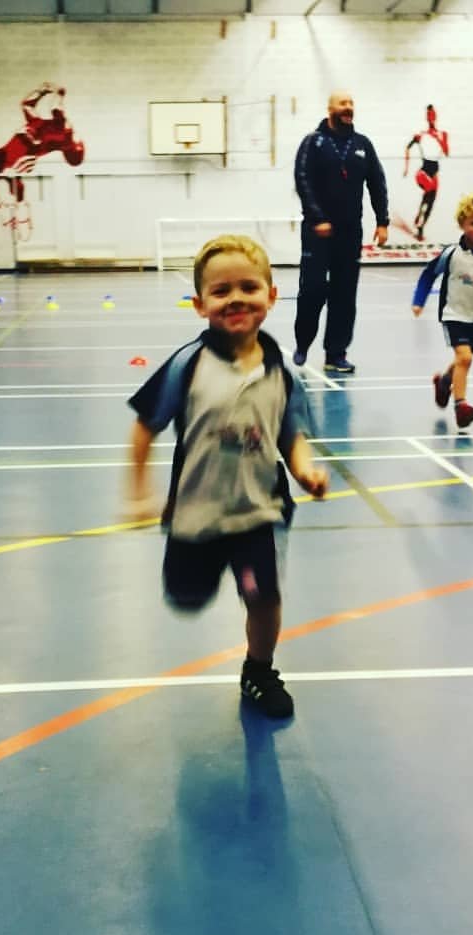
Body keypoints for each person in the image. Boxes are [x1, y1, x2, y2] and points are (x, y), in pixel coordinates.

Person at [126, 234, 328, 719]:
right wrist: (139, 493)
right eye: (221, 292)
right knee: (187, 597)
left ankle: (259, 670)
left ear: (271, 296)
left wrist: (303, 470)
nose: (236, 298)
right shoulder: (186, 366)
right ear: (200, 305)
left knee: (264, 598)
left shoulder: (283, 371)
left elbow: (290, 432)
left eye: (248, 287)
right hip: (197, 513)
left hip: (258, 511)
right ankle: (197, 574)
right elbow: (144, 425)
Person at [292, 89, 389, 375]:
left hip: (350, 233)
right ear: (330, 109)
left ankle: (336, 353)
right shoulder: (313, 142)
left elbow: (377, 182)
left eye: (351, 103)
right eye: (342, 104)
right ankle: (303, 343)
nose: (348, 108)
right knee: (312, 290)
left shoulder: (363, 144)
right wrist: (317, 217)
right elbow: (302, 179)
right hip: (317, 232)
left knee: (344, 295)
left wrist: (382, 220)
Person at [411, 193, 473, 430]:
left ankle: (445, 382)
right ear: (462, 225)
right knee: (465, 358)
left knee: (462, 361)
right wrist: (419, 300)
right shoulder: (451, 254)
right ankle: (461, 407)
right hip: (453, 314)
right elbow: (428, 275)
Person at [0, 82, 85, 211]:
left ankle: (13, 207)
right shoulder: (49, 124)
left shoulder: (61, 136)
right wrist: (50, 92)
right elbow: (34, 105)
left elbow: (50, 108)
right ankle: (6, 208)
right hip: (6, 155)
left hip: (13, 161)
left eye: (77, 143)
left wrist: (51, 93)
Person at [403, 104, 450, 242]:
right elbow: (407, 148)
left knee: (431, 201)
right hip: (423, 172)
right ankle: (419, 218)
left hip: (434, 173)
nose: (431, 117)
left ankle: (420, 227)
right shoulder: (420, 135)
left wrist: (439, 139)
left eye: (432, 114)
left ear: (435, 116)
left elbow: (446, 152)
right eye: (428, 114)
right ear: (426, 117)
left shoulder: (443, 134)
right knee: (428, 193)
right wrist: (406, 167)